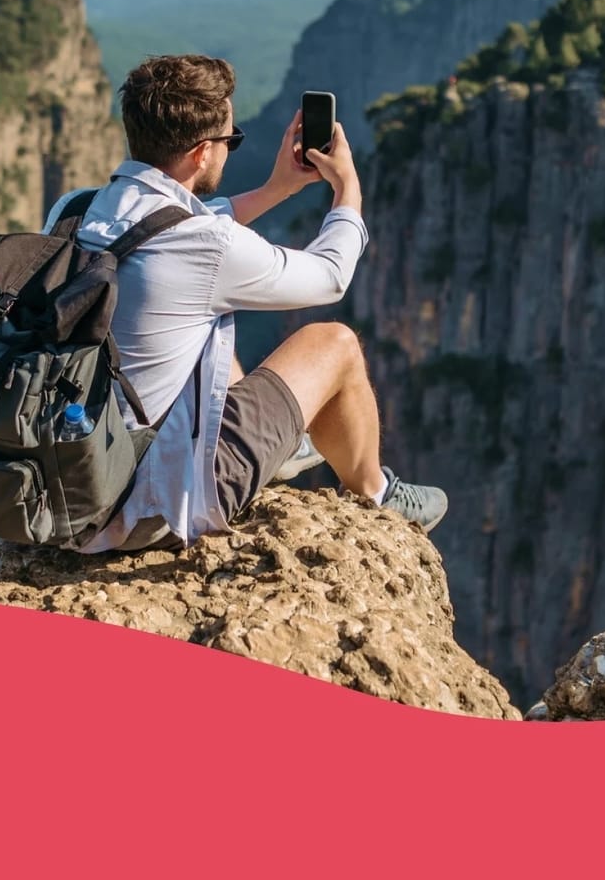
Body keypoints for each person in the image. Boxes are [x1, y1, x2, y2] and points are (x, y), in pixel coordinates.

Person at [44, 54, 446, 553]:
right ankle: (377, 492)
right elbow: (331, 276)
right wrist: (348, 189)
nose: (231, 152)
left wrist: (278, 189)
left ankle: (276, 451)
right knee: (336, 343)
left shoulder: (74, 211)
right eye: (230, 142)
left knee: (207, 334)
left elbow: (168, 225)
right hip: (143, 506)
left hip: (67, 484)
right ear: (200, 154)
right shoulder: (207, 246)